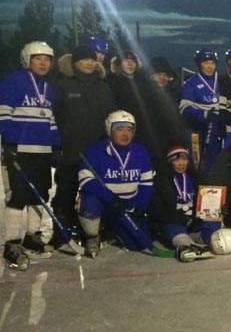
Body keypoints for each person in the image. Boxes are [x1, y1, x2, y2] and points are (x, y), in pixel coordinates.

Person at [0, 41, 59, 269]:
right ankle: (12, 244)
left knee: (40, 195)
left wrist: (56, 144)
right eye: (38, 58)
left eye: (47, 59)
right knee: (18, 196)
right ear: (27, 59)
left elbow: (50, 118)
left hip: (42, 151)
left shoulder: (48, 88)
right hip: (20, 150)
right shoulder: (13, 82)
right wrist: (8, 142)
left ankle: (31, 237)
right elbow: (3, 112)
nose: (43, 63)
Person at [51, 45, 116, 245]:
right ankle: (62, 232)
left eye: (92, 59)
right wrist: (56, 145)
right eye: (84, 60)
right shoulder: (63, 85)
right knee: (66, 194)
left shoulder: (104, 87)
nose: (89, 63)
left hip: (97, 153)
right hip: (71, 151)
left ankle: (96, 230)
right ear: (74, 63)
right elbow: (53, 116)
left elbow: (111, 117)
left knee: (96, 192)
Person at [77, 111, 154, 258]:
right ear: (109, 130)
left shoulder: (140, 151)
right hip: (106, 204)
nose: (125, 134)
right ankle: (92, 235)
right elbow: (85, 180)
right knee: (89, 201)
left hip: (126, 207)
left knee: (139, 243)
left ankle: (114, 231)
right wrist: (110, 198)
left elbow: (146, 183)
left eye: (129, 129)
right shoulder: (95, 151)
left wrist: (140, 208)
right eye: (120, 129)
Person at [148, 145, 218, 262]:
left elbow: (205, 202)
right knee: (174, 229)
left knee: (212, 223)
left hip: (192, 220)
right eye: (177, 160)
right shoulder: (161, 181)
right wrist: (178, 217)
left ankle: (207, 240)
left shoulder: (195, 177)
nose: (181, 163)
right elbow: (156, 210)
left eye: (184, 159)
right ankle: (186, 246)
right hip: (173, 221)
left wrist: (216, 208)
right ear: (170, 162)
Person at [107, 50, 169, 163]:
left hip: (145, 131)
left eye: (133, 61)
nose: (130, 64)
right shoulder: (112, 83)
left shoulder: (145, 83)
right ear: (119, 64)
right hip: (122, 130)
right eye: (126, 61)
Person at [179, 49, 223, 172]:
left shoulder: (220, 81)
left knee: (215, 164)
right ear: (199, 64)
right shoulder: (191, 83)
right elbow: (184, 108)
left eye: (212, 63)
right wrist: (204, 114)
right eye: (206, 63)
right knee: (197, 164)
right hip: (197, 131)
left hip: (216, 131)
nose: (209, 66)